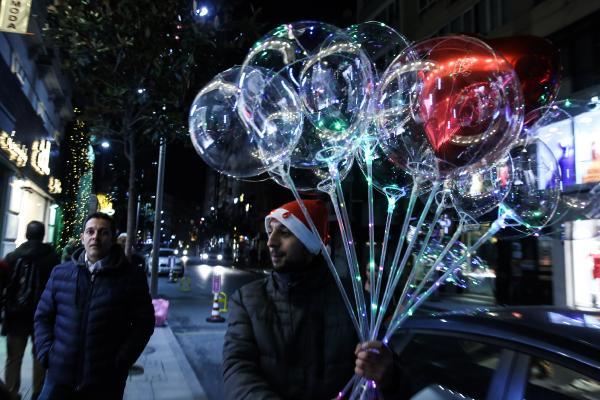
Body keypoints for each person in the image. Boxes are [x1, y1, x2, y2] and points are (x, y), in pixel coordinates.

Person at [222, 200, 398, 400]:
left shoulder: (356, 302)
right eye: (270, 231)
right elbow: (237, 371)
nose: (271, 241)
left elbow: (392, 380)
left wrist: (388, 375)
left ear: (310, 242)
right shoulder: (247, 300)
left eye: (285, 232)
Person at [34, 212, 155, 400]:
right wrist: (46, 353)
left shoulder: (131, 276)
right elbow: (43, 316)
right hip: (58, 378)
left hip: (104, 381)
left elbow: (144, 324)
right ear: (82, 237)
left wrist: (121, 362)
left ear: (113, 239)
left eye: (103, 232)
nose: (95, 237)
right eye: (90, 231)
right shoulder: (60, 273)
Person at [1, 221, 60, 400]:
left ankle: (11, 393)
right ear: (43, 236)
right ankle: (38, 393)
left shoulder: (12, 257)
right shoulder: (52, 258)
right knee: (40, 356)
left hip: (15, 315)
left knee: (13, 358)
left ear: (26, 234)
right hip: (42, 316)